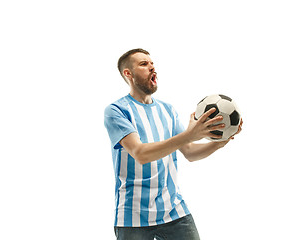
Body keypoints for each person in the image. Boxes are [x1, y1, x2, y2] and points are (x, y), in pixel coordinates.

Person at [104, 48, 242, 240]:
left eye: (152, 64)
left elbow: (190, 152)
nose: (152, 67)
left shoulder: (167, 110)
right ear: (128, 74)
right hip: (133, 216)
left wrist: (220, 142)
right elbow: (141, 153)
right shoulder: (116, 110)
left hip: (174, 211)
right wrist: (189, 135)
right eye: (144, 64)